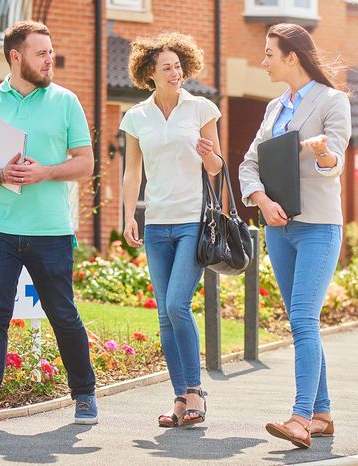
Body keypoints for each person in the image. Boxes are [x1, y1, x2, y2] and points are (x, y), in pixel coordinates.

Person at [0, 20, 98, 431]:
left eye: (50, 52)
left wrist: (46, 171)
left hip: (50, 230)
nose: (49, 60)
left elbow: (86, 164)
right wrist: (1, 175)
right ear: (16, 57)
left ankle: (84, 395)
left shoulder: (66, 101)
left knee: (63, 315)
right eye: (41, 53)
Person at [238, 23, 351, 449]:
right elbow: (250, 163)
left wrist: (322, 151)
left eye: (269, 54)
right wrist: (262, 202)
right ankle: (322, 413)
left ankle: (300, 418)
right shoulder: (273, 108)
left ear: (292, 57)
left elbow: (335, 159)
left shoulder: (332, 101)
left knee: (304, 319)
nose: (263, 61)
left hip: (318, 226)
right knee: (300, 321)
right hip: (279, 228)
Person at [120, 32, 223, 427]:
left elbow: (216, 169)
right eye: (167, 68)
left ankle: (196, 391)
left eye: (179, 66)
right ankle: (180, 398)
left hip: (192, 221)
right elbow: (132, 171)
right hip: (157, 222)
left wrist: (210, 156)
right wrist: (130, 214)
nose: (176, 73)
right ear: (150, 73)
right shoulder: (136, 117)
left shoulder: (201, 109)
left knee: (178, 304)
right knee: (164, 315)